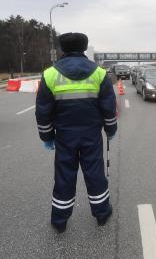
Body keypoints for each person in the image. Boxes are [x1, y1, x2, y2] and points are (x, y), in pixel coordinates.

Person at [35, 32, 117, 233]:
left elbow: (43, 111)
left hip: (64, 137)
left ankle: (59, 221)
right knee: (95, 174)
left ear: (62, 49)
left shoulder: (50, 74)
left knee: (64, 176)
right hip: (91, 135)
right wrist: (110, 129)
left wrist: (47, 136)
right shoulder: (99, 73)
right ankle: (101, 214)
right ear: (84, 47)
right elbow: (108, 106)